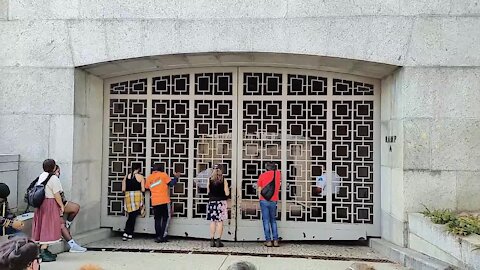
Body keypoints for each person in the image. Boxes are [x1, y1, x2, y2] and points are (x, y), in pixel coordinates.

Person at [32, 159, 86, 263]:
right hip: (50, 204)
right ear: (53, 167)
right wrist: (61, 206)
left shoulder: (42, 176)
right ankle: (44, 250)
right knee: (48, 227)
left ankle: (43, 250)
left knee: (43, 226)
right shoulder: (53, 178)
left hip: (41, 204)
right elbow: (57, 194)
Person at [145, 164, 180, 243]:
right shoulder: (163, 175)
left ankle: (158, 236)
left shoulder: (149, 177)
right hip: (164, 200)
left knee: (157, 219)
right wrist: (176, 177)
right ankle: (163, 236)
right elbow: (171, 184)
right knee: (166, 218)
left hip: (155, 201)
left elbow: (146, 187)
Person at [257, 162, 281, 247]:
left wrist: (260, 198)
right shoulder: (278, 175)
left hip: (264, 200)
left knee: (266, 221)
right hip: (273, 200)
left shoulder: (262, 175)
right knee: (273, 220)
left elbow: (259, 189)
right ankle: (275, 240)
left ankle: (268, 241)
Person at [206, 164, 230, 248]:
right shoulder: (224, 180)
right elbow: (227, 193)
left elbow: (208, 192)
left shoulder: (209, 180)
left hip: (212, 202)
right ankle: (218, 241)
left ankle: (211, 240)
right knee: (220, 222)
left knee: (213, 221)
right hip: (221, 203)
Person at [121, 163, 145, 241]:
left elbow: (123, 189)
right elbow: (143, 189)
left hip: (128, 196)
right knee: (133, 216)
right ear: (139, 169)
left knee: (131, 215)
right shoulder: (140, 177)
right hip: (136, 196)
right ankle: (128, 233)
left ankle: (127, 233)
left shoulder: (126, 176)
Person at [53, 165, 81, 230]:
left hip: (60, 203)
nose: (59, 173)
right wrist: (61, 206)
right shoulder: (54, 179)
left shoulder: (53, 179)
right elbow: (57, 195)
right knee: (75, 208)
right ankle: (66, 226)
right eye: (57, 172)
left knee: (76, 207)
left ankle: (67, 224)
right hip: (56, 204)